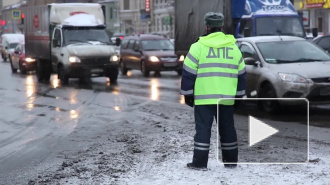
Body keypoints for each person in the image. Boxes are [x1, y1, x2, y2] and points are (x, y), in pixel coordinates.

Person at [180, 12, 246, 170]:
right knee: (228, 129)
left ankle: (200, 163)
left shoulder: (198, 47)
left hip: (204, 99)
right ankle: (231, 162)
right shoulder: (233, 48)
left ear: (207, 26)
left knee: (203, 131)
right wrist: (238, 96)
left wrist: (188, 95)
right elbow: (242, 74)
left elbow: (188, 73)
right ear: (222, 27)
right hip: (226, 99)